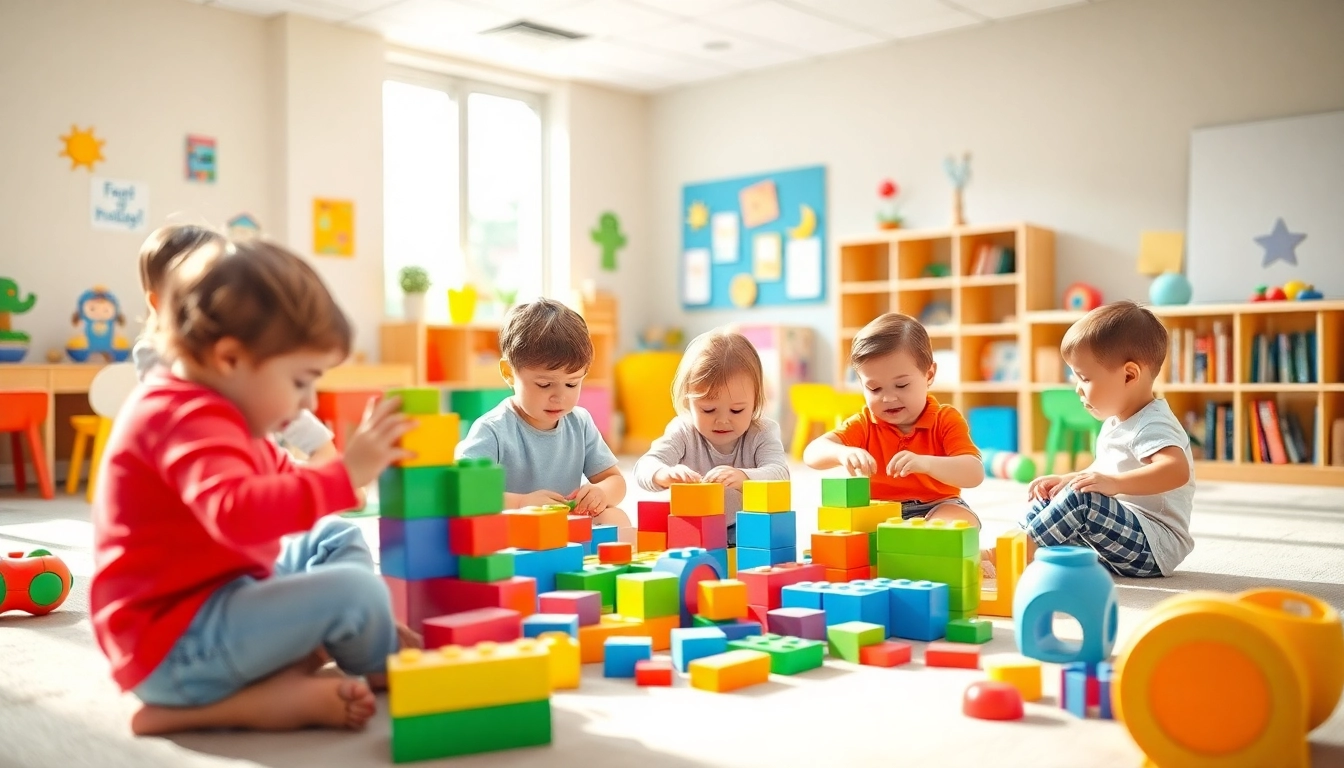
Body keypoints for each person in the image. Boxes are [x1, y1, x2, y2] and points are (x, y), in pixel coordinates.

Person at [91, 239, 416, 736]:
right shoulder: (181, 415)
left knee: (334, 537)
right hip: (174, 647)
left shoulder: (226, 411)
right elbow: (235, 513)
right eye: (301, 380)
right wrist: (345, 474)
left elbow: (279, 492)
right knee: (357, 592)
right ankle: (367, 663)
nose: (309, 399)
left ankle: (325, 645)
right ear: (230, 358)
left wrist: (338, 483)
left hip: (221, 591)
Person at [997, 300, 1193, 577]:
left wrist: (1114, 484)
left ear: (1129, 375)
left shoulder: (1153, 422)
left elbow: (1176, 470)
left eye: (1085, 378)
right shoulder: (1117, 420)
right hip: (1117, 537)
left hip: (1154, 544)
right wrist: (1069, 479)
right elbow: (1104, 472)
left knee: (1082, 500)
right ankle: (1015, 543)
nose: (1077, 389)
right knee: (1054, 495)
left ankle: (1007, 556)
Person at [131, 224, 339, 464]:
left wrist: (319, 446)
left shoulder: (235, 352)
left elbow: (274, 397)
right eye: (201, 297)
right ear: (159, 303)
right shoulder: (161, 364)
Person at [456, 298, 631, 527]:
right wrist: (521, 504)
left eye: (572, 384)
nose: (560, 397)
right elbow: (465, 492)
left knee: (616, 517)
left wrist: (601, 493)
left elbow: (614, 480)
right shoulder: (493, 429)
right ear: (509, 373)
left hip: (564, 529)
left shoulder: (580, 422)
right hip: (514, 532)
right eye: (544, 385)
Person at [803, 313, 984, 526]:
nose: (888, 398)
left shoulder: (945, 419)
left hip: (938, 505)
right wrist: (842, 452)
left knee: (959, 522)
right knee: (844, 532)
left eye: (901, 385)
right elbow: (812, 453)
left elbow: (974, 473)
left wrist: (926, 463)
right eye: (874, 388)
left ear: (929, 375)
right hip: (879, 512)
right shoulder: (864, 424)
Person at [633, 329, 789, 545]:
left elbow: (780, 473)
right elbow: (644, 466)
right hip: (694, 526)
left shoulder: (762, 431)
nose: (723, 420)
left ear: (755, 401)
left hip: (746, 526)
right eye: (708, 410)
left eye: (736, 411)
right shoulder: (683, 430)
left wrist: (743, 477)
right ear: (688, 402)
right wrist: (664, 474)